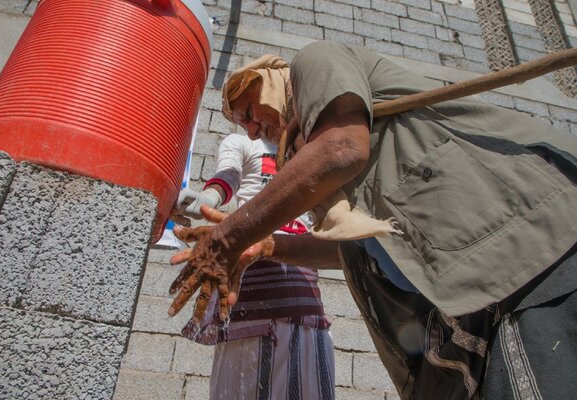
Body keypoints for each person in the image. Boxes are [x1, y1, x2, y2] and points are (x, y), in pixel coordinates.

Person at [168, 41, 577, 399]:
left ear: (270, 77)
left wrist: (228, 238)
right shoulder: (307, 164)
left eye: (248, 110)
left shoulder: (313, 63)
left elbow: (343, 149)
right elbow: (347, 246)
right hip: (466, 302)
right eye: (242, 125)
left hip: (533, 246)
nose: (253, 130)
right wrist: (269, 245)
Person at [172, 129, 336, 399]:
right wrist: (208, 199)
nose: (250, 125)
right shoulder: (242, 142)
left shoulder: (314, 146)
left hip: (299, 292)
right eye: (239, 117)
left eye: (248, 109)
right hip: (249, 291)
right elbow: (228, 177)